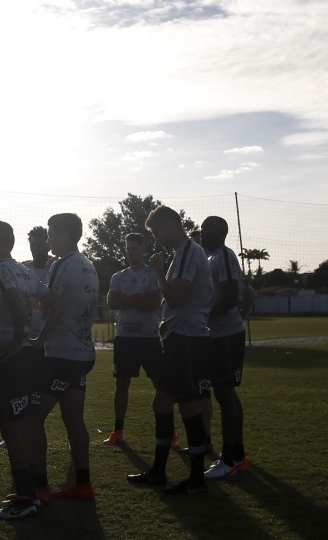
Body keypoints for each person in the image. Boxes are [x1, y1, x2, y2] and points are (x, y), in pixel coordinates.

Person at [127, 205, 214, 495]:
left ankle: (195, 479)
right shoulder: (183, 253)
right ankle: (159, 471)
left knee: (186, 403)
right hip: (179, 336)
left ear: (169, 225)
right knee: (163, 403)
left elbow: (176, 296)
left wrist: (158, 273)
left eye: (157, 231)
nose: (157, 239)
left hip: (187, 337)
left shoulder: (189, 251)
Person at [0, 222, 47, 521]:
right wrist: (36, 340)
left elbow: (17, 303)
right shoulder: (26, 270)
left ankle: (24, 498)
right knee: (29, 423)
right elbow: (53, 303)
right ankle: (31, 491)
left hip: (9, 359)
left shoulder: (0, 270)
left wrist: (19, 340)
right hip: (28, 357)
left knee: (13, 427)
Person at [31, 213, 98, 501]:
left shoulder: (60, 265)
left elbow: (50, 308)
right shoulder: (89, 265)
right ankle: (83, 483)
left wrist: (38, 341)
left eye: (51, 234)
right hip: (83, 351)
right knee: (73, 418)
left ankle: (40, 486)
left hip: (62, 354)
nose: (48, 240)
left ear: (65, 234)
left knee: (33, 418)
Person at [200, 216, 251, 479]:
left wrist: (204, 317)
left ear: (221, 232)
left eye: (207, 227)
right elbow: (248, 294)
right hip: (219, 336)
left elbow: (232, 295)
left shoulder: (225, 256)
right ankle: (238, 455)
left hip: (225, 337)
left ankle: (229, 458)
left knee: (225, 393)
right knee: (225, 393)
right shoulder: (212, 259)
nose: (201, 230)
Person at [103, 233, 162, 445]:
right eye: (128, 248)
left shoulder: (152, 275)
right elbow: (112, 302)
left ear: (143, 250)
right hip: (125, 338)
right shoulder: (118, 276)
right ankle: (118, 430)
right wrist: (139, 297)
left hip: (149, 337)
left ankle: (168, 432)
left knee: (160, 385)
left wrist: (127, 299)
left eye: (134, 248)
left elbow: (152, 304)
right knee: (121, 385)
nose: (130, 252)